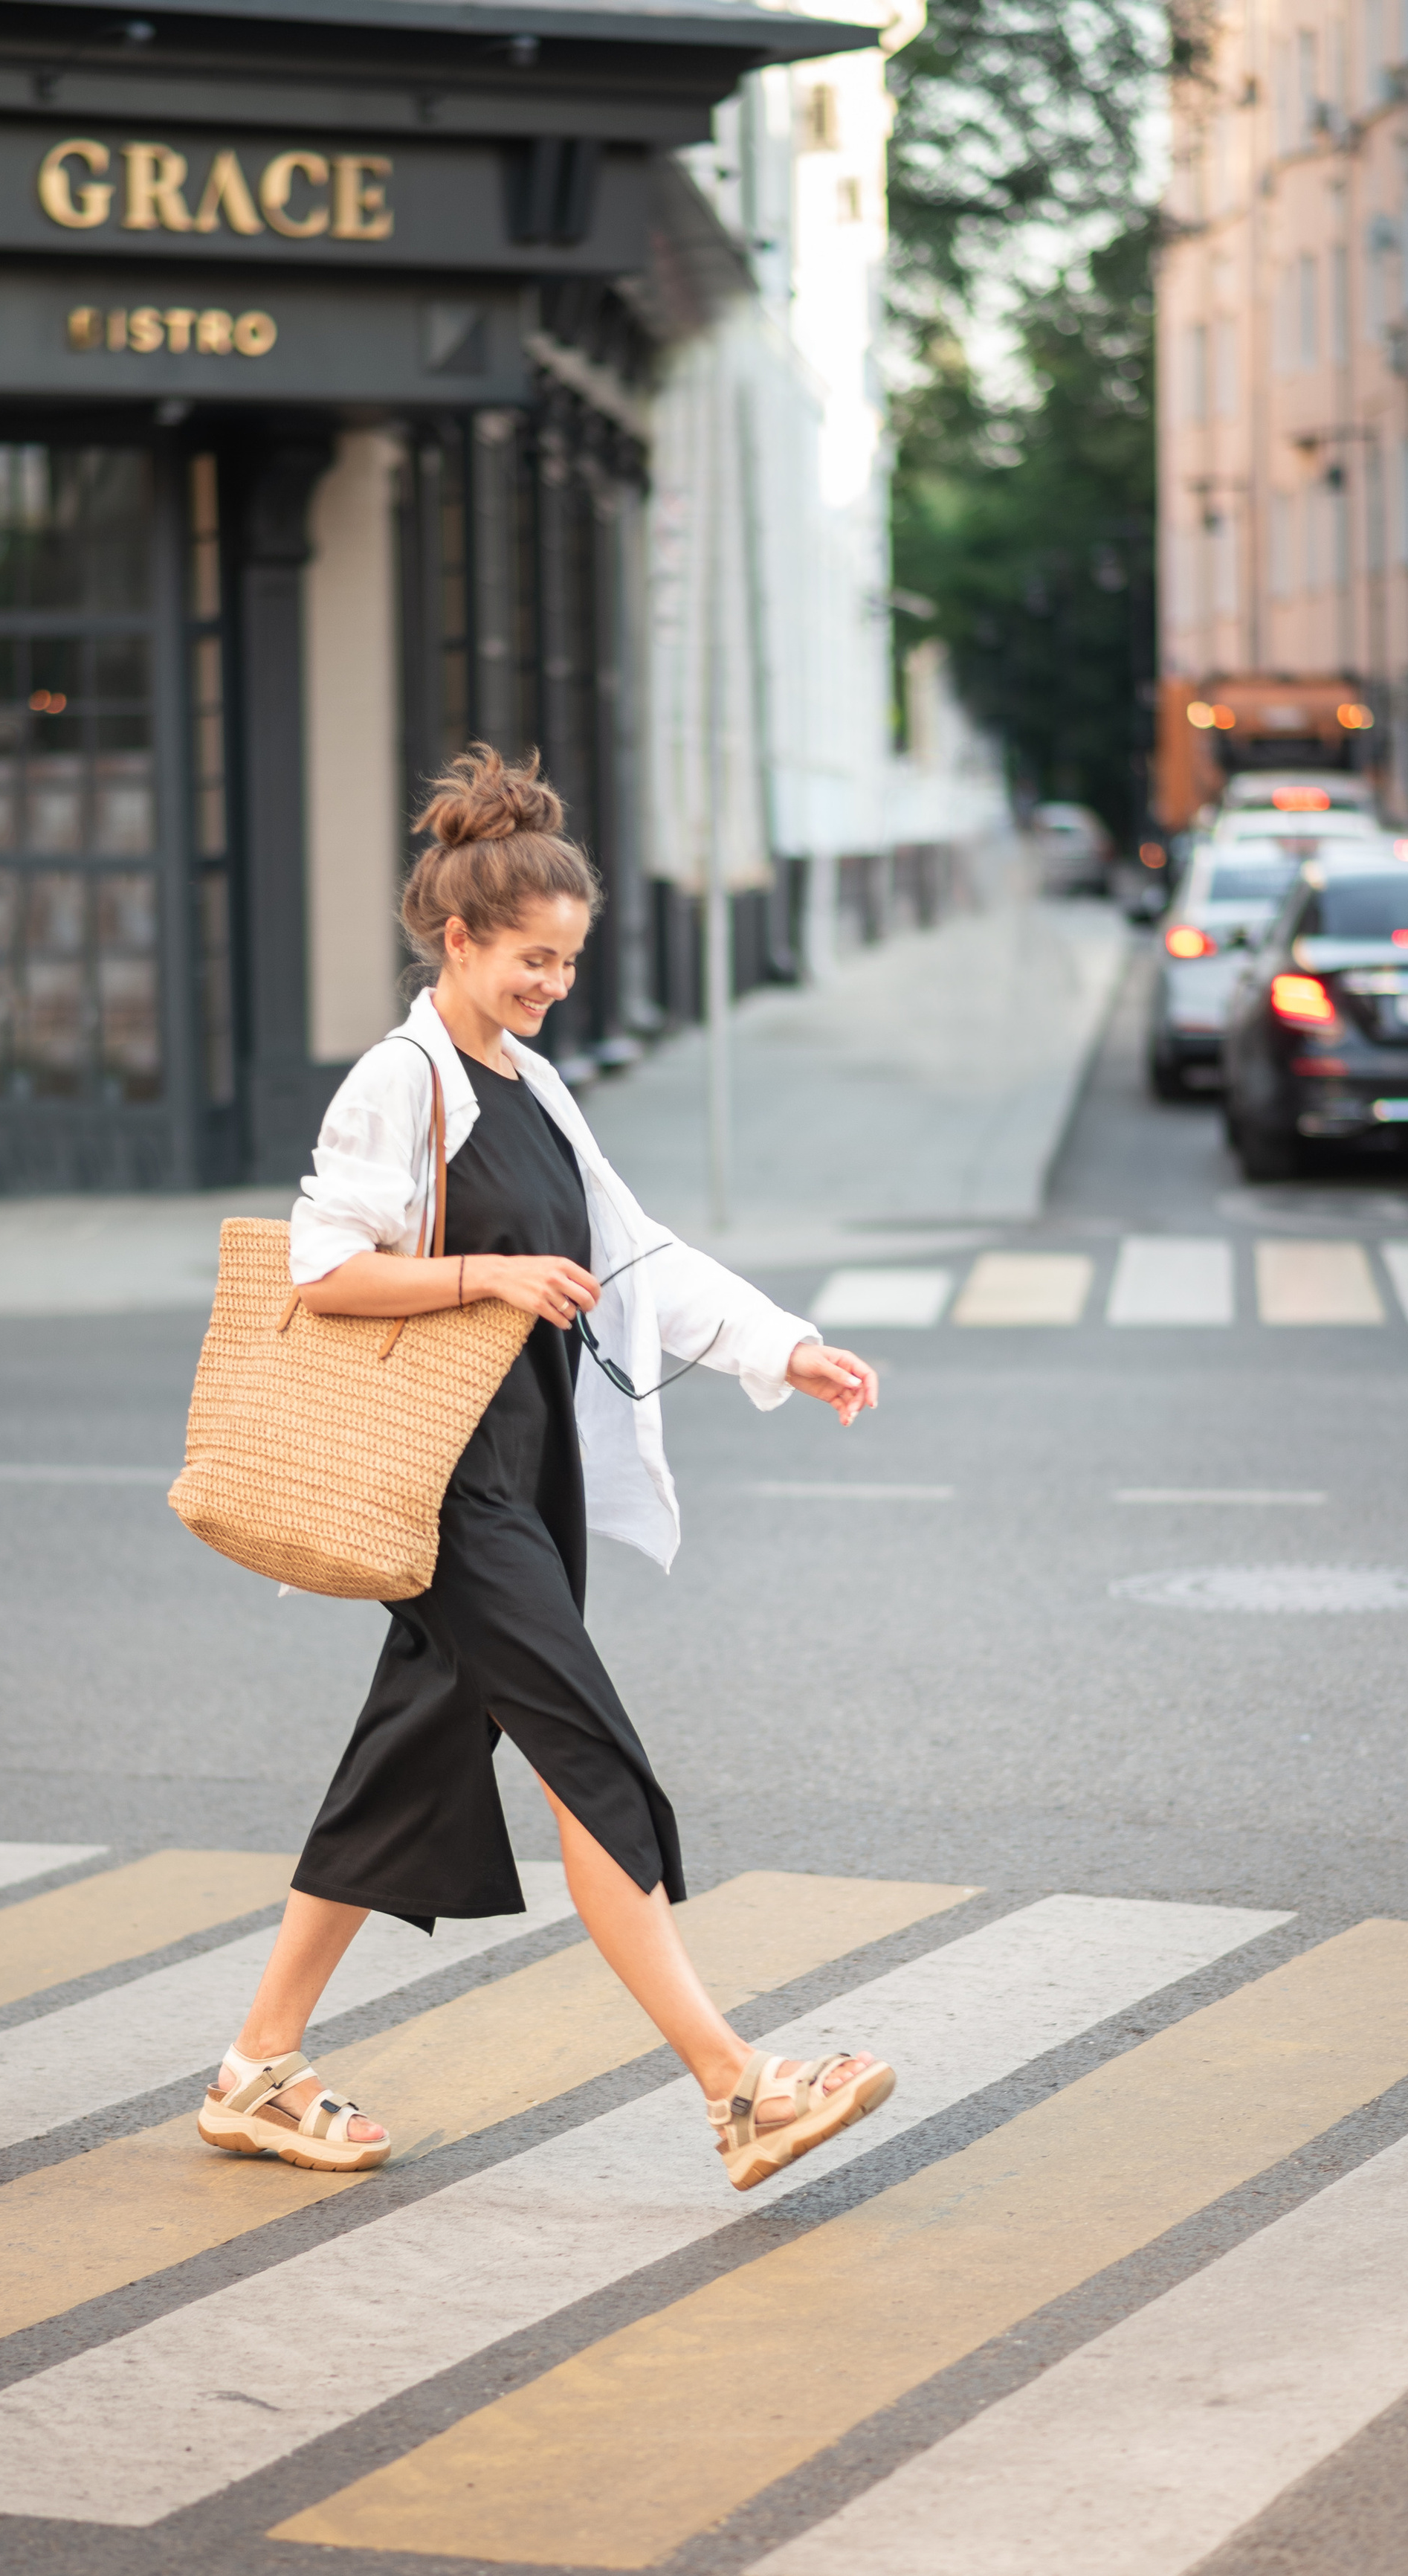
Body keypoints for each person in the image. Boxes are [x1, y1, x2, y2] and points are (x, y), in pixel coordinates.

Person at [198, 746, 894, 2195]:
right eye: (528, 959)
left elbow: (631, 1256)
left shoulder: (528, 1078)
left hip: (521, 1476)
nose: (550, 984)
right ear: (454, 938)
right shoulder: (400, 1082)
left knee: (408, 1765)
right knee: (589, 1758)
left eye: (567, 962)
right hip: (449, 1491)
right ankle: (738, 2087)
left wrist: (785, 1348)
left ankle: (256, 2069)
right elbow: (323, 1269)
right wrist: (488, 1276)